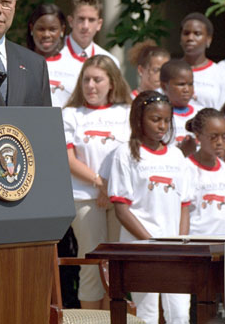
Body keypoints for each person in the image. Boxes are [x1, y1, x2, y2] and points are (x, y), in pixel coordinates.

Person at [108, 90, 193, 324]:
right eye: (155, 119)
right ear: (139, 119)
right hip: (142, 248)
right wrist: (152, 243)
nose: (162, 125)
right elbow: (121, 209)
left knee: (180, 314)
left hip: (174, 251)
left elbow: (184, 204)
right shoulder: (124, 154)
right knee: (147, 315)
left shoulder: (176, 156)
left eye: (166, 120)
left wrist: (180, 243)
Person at [62, 55, 132, 310]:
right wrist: (99, 183)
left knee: (116, 265)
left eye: (97, 80)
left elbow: (131, 155)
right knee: (92, 263)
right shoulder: (70, 114)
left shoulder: (126, 112)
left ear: (112, 83)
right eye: (86, 80)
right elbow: (67, 158)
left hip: (118, 200)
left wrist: (109, 187)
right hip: (85, 199)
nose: (91, 85)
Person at [184, 108, 225, 236]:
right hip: (196, 242)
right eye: (213, 137)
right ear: (198, 136)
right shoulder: (186, 167)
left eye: (224, 136)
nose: (220, 142)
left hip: (223, 241)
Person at [25, 3, 72, 107]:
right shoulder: (20, 63)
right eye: (41, 29)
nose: (46, 35)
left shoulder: (76, 66)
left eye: (52, 29)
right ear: (32, 29)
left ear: (62, 30)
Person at [179, 13, 225, 109]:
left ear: (208, 40)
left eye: (197, 34)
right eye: (186, 33)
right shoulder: (170, 71)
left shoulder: (221, 74)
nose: (190, 38)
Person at [61, 0, 119, 67]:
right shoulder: (52, 54)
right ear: (70, 21)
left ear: (99, 24)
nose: (85, 26)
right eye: (81, 19)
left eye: (91, 20)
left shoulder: (110, 63)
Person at [160, 59, 200, 156]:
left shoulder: (201, 113)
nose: (187, 89)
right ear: (164, 86)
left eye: (190, 84)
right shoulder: (158, 116)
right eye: (181, 84)